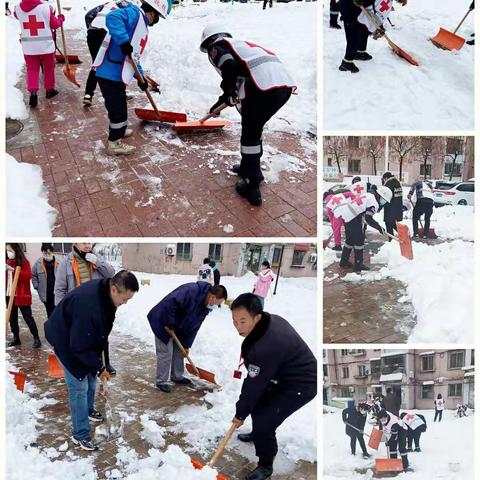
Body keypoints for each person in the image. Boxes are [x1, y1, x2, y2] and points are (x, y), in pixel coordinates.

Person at [200, 25, 296, 206]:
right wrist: (224, 97)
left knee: (250, 134)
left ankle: (252, 184)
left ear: (208, 42)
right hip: (282, 87)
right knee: (254, 128)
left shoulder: (217, 46)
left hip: (262, 88)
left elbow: (228, 66)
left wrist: (229, 91)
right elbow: (238, 75)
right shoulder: (238, 45)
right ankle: (247, 167)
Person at [44, 271, 139, 451]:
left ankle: (87, 410)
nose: (125, 303)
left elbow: (102, 335)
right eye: (125, 299)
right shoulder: (88, 306)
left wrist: (104, 365)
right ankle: (79, 434)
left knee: (91, 377)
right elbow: (78, 346)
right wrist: (98, 366)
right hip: (64, 339)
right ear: (114, 289)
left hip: (79, 337)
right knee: (79, 386)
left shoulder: (108, 297)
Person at [231, 294, 317, 480]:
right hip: (281, 375)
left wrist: (240, 414)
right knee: (259, 403)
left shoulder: (266, 347)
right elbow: (257, 383)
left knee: (265, 421)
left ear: (257, 317)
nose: (238, 327)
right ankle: (257, 435)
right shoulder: (268, 322)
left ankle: (265, 465)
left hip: (302, 384)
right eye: (235, 321)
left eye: (243, 321)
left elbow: (254, 384)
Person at [93, 0, 171, 155]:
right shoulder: (134, 13)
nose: (155, 22)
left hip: (116, 75)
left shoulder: (140, 25)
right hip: (109, 73)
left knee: (119, 107)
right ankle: (114, 144)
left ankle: (119, 130)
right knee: (118, 110)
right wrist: (123, 41)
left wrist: (141, 79)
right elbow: (112, 18)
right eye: (157, 18)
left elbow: (134, 58)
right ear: (152, 13)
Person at [147, 282, 228, 393]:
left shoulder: (205, 308)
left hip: (177, 326)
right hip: (163, 320)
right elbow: (171, 303)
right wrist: (169, 322)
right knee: (166, 352)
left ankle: (177, 376)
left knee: (180, 351)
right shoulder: (191, 291)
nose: (216, 306)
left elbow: (194, 327)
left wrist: (186, 345)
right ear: (213, 297)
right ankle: (162, 381)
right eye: (217, 303)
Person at [55, 243, 117, 374]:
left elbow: (111, 274)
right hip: (77, 311)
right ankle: (83, 366)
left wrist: (97, 262)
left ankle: (104, 364)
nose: (87, 245)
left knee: (100, 338)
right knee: (81, 340)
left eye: (89, 242)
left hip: (97, 309)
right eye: (84, 242)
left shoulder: (96, 258)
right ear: (75, 243)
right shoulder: (66, 263)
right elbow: (60, 290)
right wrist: (63, 313)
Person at [326, 186, 392, 271]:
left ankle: (344, 261)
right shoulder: (374, 203)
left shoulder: (369, 195)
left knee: (349, 240)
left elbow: (363, 212)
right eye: (384, 201)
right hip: (353, 217)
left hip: (347, 214)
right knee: (359, 241)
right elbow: (369, 218)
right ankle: (358, 264)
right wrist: (379, 227)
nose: (383, 203)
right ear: (381, 196)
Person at [14, 0, 65, 107]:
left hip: (29, 46)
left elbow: (16, 15)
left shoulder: (17, 8)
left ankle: (33, 92)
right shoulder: (46, 8)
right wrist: (60, 19)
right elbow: (55, 24)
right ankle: (49, 90)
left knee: (32, 69)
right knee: (48, 68)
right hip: (45, 45)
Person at [338, 0, 408, 73]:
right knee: (354, 36)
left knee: (364, 30)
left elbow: (377, 10)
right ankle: (346, 63)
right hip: (350, 8)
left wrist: (379, 26)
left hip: (360, 9)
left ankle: (360, 53)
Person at [5, 243, 42, 348]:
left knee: (28, 317)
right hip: (9, 294)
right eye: (7, 250)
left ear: (16, 251)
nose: (8, 253)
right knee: (12, 317)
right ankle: (16, 338)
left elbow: (27, 276)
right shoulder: (7, 262)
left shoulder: (24, 263)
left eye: (10, 251)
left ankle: (36, 337)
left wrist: (15, 271)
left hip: (21, 294)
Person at [31, 243, 58, 318]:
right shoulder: (38, 263)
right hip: (45, 293)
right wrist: (36, 286)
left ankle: (59, 327)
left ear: (52, 252)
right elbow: (33, 275)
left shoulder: (59, 262)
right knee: (49, 312)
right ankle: (51, 327)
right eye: (45, 253)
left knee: (58, 311)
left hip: (57, 292)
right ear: (42, 252)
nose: (47, 254)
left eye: (49, 253)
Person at [381, 172, 403, 238]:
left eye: (384, 179)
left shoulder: (389, 184)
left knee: (388, 223)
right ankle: (403, 235)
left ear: (386, 178)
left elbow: (385, 196)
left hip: (390, 207)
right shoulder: (397, 183)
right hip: (397, 207)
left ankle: (391, 240)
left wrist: (380, 206)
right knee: (392, 223)